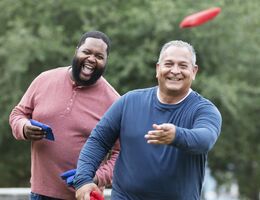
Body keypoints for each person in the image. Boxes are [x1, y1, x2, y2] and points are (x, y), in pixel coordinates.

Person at [73, 40, 222, 200]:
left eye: (183, 66)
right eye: (169, 64)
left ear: (194, 71)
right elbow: (99, 141)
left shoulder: (204, 110)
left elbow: (205, 139)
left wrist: (176, 136)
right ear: (158, 69)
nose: (175, 71)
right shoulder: (129, 101)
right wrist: (83, 180)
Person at [9, 30, 120, 200]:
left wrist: (94, 177)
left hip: (84, 196)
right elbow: (18, 114)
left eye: (99, 56)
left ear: (106, 62)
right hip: (40, 193)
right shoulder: (44, 79)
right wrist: (24, 127)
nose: (91, 58)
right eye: (87, 52)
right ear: (76, 51)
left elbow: (121, 154)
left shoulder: (114, 102)